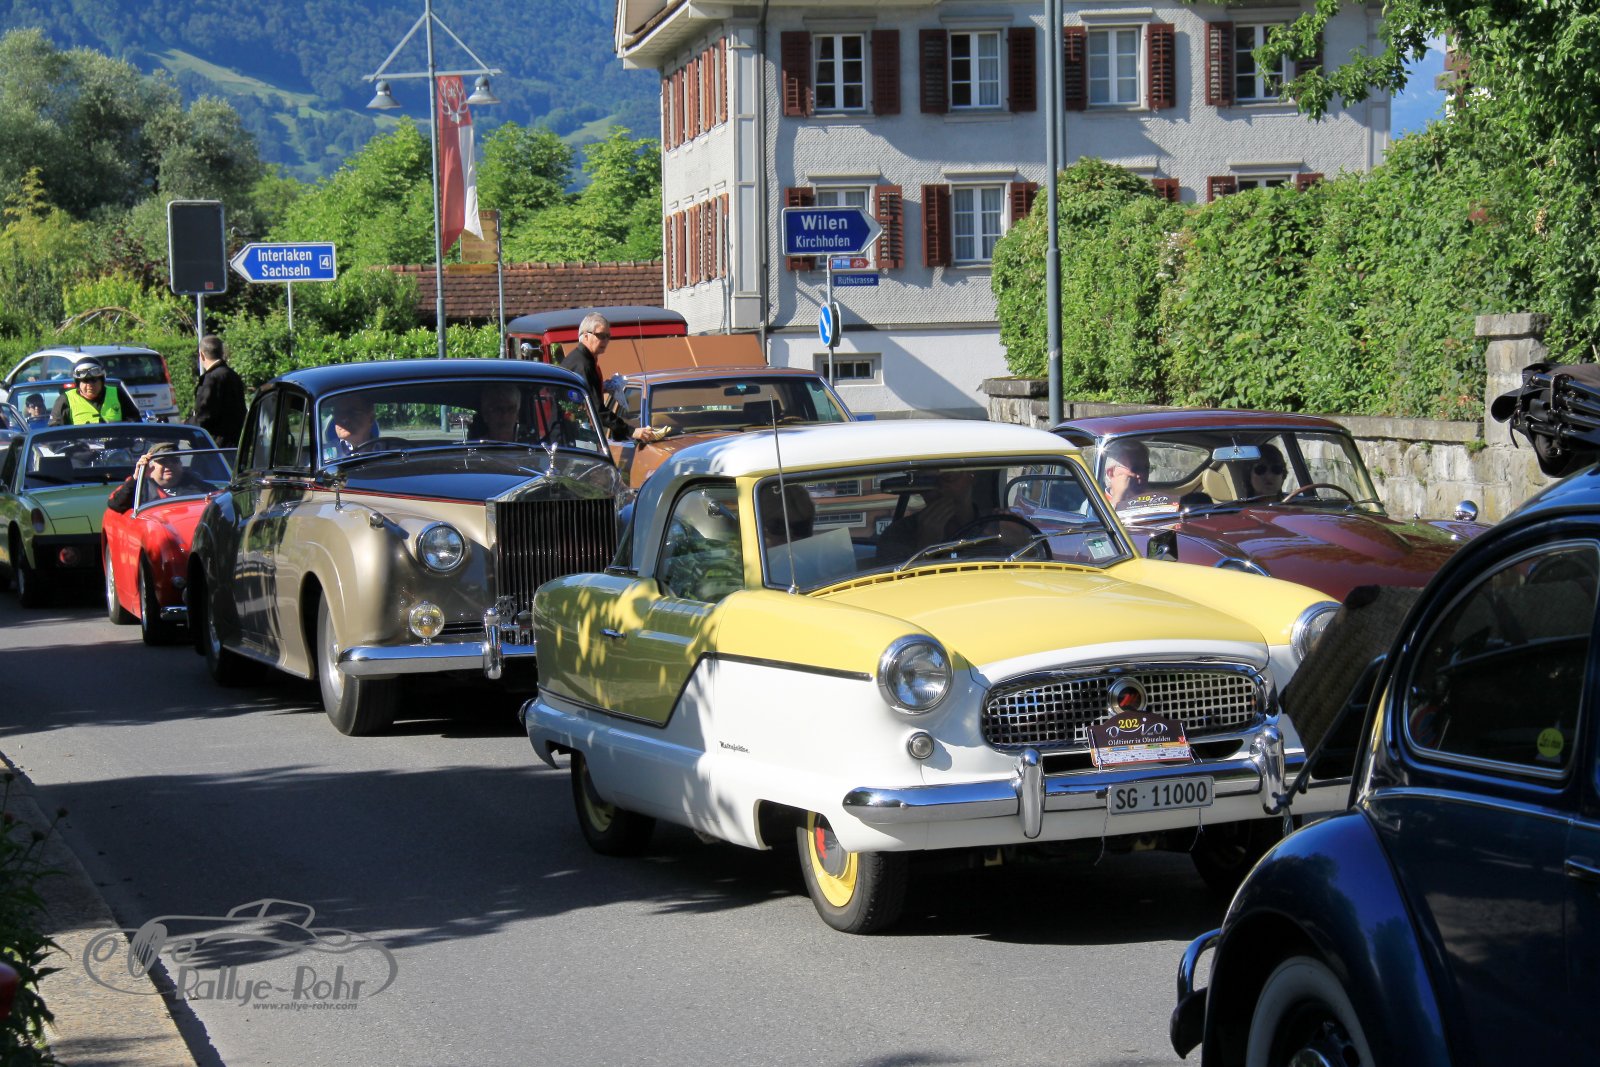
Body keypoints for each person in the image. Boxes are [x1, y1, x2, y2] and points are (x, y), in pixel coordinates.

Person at [558, 313, 656, 444]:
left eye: (608, 336)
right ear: (586, 336)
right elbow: (597, 410)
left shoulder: (582, 359)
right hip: (567, 435)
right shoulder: (584, 364)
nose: (605, 340)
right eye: (601, 335)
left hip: (567, 431)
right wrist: (632, 431)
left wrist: (602, 387)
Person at [876, 468, 981, 562]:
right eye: (928, 482)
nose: (939, 488)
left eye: (949, 477)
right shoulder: (897, 535)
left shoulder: (989, 526)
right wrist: (925, 546)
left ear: (971, 476)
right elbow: (897, 575)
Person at [107, 442, 213, 513]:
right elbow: (116, 504)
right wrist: (137, 477)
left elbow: (215, 499)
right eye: (163, 461)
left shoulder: (196, 484)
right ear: (150, 467)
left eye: (174, 460)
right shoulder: (140, 487)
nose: (169, 465)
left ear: (180, 464)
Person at [190, 334, 247, 448]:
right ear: (221, 353)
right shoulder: (233, 375)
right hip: (236, 442)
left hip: (215, 446)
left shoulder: (211, 379)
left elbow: (205, 415)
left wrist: (187, 424)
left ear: (202, 355)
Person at [50, 359, 130, 426]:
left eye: (94, 380)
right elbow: (55, 431)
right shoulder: (65, 400)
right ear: (78, 383)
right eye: (85, 381)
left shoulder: (117, 394)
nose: (90, 385)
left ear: (102, 381)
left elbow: (133, 423)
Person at [322, 395, 378, 461]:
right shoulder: (325, 454)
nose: (343, 419)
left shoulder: (386, 449)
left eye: (352, 412)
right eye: (338, 413)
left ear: (371, 418)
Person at [1102, 439, 1152, 509]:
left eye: (1146, 468)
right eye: (1135, 469)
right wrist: (1118, 497)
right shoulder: (1095, 504)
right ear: (1111, 473)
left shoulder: (1154, 499)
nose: (1142, 475)